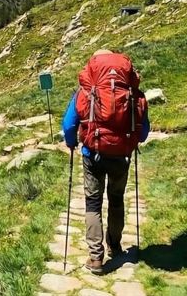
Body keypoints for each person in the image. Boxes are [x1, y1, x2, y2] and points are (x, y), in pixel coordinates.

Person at [62, 49, 150, 274]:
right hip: (122, 155)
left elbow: (69, 125)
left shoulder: (85, 91)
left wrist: (71, 143)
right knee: (117, 198)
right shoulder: (133, 93)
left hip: (93, 154)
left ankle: (95, 257)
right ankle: (115, 245)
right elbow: (143, 131)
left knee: (93, 203)